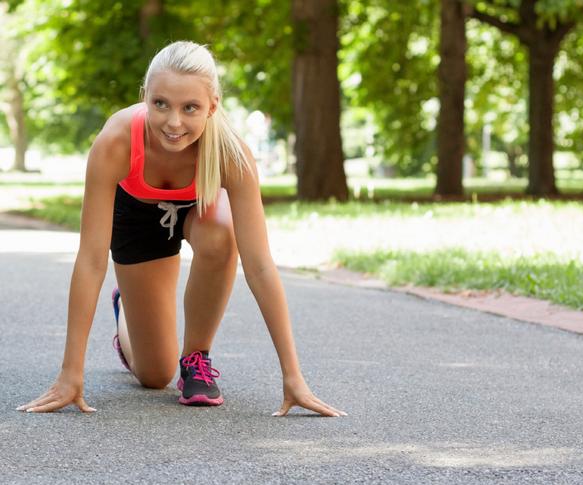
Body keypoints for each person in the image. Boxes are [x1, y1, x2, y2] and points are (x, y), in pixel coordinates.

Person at [16, 41, 346, 416]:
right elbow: (91, 260)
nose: (174, 123)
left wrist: (293, 377)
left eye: (190, 108)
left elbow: (259, 265)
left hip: (199, 214)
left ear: (212, 106)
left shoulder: (230, 155)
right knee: (155, 374)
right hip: (138, 221)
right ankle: (127, 309)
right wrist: (70, 375)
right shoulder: (115, 143)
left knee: (223, 231)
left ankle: (196, 358)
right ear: (145, 97)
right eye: (161, 104)